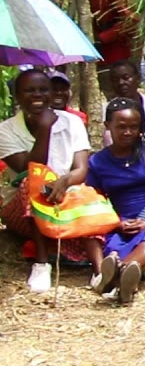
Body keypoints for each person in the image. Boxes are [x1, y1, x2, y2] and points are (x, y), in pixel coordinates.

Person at [0, 69, 94, 292]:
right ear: (17, 96)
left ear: (52, 94)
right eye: (29, 90)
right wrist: (44, 128)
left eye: (43, 90)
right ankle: (42, 264)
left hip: (65, 196)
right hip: (22, 207)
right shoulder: (5, 130)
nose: (37, 95)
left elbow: (81, 169)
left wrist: (64, 181)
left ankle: (99, 272)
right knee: (32, 182)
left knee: (90, 194)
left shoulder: (72, 122)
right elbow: (29, 169)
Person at [85, 98, 145, 304]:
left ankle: (115, 279)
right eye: (121, 127)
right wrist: (117, 223)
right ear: (107, 126)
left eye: (134, 127)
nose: (128, 132)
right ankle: (116, 277)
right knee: (108, 245)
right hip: (119, 222)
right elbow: (95, 203)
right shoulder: (97, 162)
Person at [77, 0, 138, 95]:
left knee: (118, 90)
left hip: (114, 49)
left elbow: (130, 19)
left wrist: (103, 38)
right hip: (91, 45)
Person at [102, 60, 145, 148]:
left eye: (126, 78)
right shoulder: (107, 110)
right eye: (115, 80)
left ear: (138, 78)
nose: (121, 83)